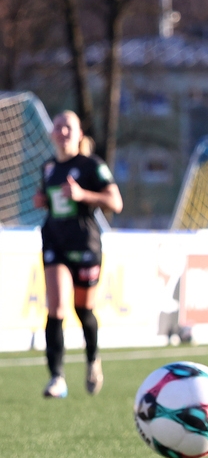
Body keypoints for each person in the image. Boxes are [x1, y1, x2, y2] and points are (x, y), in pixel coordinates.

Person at [33, 111, 123, 398]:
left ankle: (92, 359)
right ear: (52, 134)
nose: (63, 132)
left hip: (85, 245)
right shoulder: (47, 168)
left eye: (68, 127)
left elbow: (115, 202)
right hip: (55, 242)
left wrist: (83, 195)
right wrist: (43, 201)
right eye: (58, 127)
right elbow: (53, 202)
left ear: (79, 134)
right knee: (56, 308)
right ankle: (56, 378)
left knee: (83, 310)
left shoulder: (91, 165)